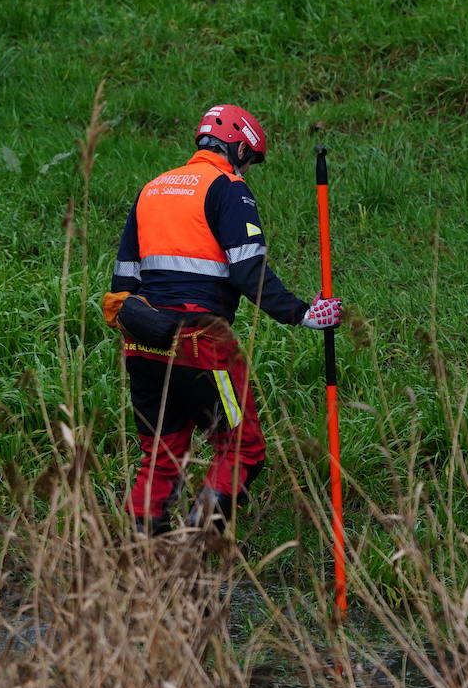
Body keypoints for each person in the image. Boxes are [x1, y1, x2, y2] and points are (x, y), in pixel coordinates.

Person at [104, 105, 342, 535]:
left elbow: (123, 280)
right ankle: (198, 550)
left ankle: (141, 568)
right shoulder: (229, 188)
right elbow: (248, 270)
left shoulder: (152, 189)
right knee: (242, 449)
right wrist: (304, 314)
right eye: (249, 159)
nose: (248, 169)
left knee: (161, 455)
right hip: (202, 344)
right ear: (237, 147)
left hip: (140, 341)